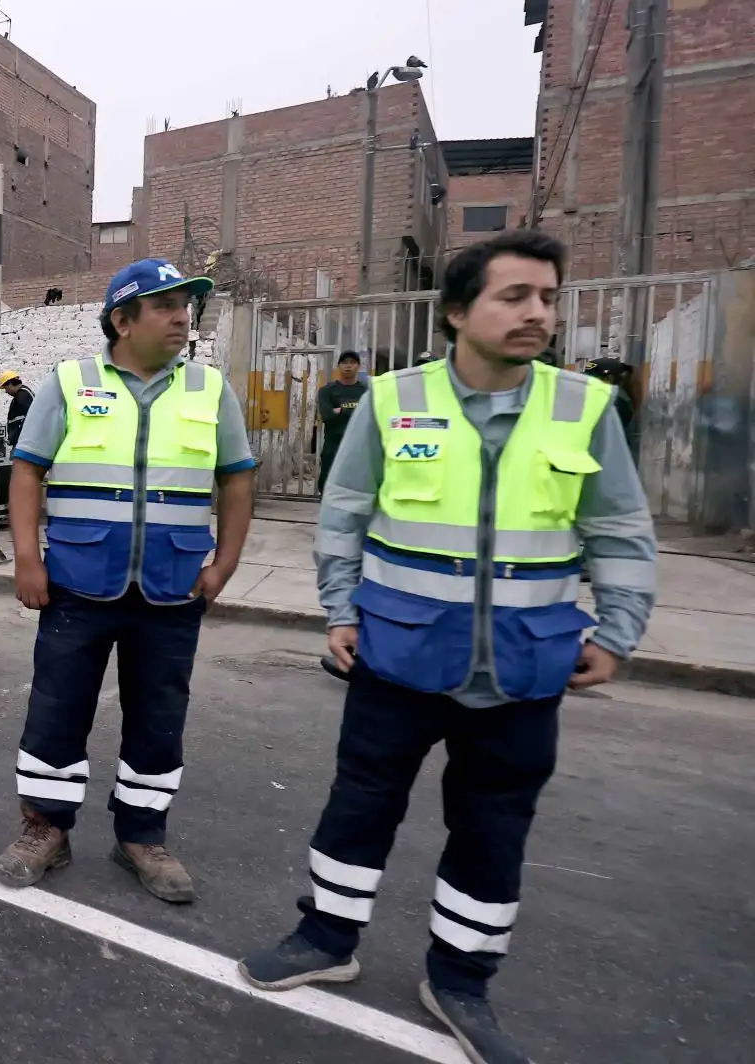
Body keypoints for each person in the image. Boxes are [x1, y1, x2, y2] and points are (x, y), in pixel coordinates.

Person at [238, 231, 658, 1063]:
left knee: (494, 827)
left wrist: (618, 631)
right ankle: (326, 938)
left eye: (547, 296)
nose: (537, 312)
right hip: (398, 654)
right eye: (515, 296)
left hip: (524, 666)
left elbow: (619, 530)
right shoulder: (393, 403)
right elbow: (345, 516)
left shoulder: (582, 407)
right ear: (459, 312)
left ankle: (461, 978)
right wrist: (337, 612)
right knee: (360, 804)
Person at [0, 258, 256, 904]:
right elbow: (28, 471)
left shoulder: (207, 390)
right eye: (166, 306)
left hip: (171, 588)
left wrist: (224, 564)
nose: (180, 317)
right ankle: (45, 828)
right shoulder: (69, 382)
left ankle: (142, 835)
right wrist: (27, 559)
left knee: (159, 717)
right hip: (78, 583)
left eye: (186, 306)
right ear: (122, 319)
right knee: (56, 712)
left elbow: (237, 478)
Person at [316, 350, 368, 495]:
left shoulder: (366, 391)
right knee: (328, 481)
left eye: (352, 363)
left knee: (356, 482)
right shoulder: (327, 391)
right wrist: (355, 411)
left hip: (357, 443)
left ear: (358, 366)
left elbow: (369, 416)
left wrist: (340, 410)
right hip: (334, 442)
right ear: (339, 366)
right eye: (344, 362)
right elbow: (327, 415)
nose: (348, 366)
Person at [1, 370, 34, 448]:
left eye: (5, 388)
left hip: (23, 444)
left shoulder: (22, 396)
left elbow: (24, 420)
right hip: (22, 442)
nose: (6, 391)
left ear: (10, 384)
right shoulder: (23, 394)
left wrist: (14, 438)